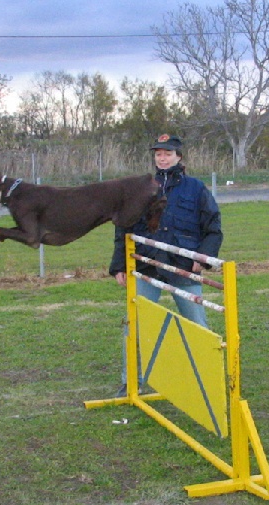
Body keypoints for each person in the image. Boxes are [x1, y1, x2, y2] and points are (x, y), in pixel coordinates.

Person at [109, 134, 223, 397]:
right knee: (134, 324)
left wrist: (202, 258)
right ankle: (131, 383)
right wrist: (119, 266)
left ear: (178, 157)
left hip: (183, 266)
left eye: (168, 154)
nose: (162, 158)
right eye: (158, 154)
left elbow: (214, 227)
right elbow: (123, 229)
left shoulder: (196, 189)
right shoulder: (139, 189)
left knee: (196, 324)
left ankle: (207, 378)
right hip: (146, 265)